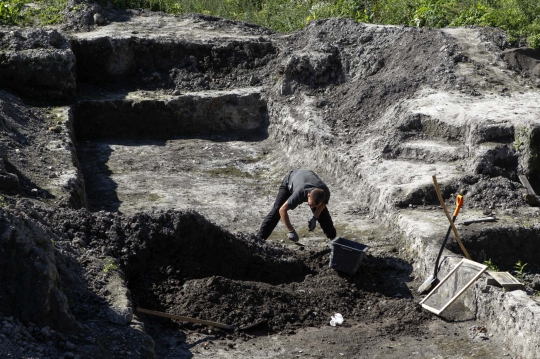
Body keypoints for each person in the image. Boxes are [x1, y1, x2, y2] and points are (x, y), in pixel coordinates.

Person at [257, 169, 337, 242]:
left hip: (307, 176)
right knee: (276, 212)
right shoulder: (300, 193)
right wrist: (291, 230)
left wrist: (315, 217)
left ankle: (333, 240)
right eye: (311, 205)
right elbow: (282, 210)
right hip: (291, 179)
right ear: (308, 195)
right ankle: (259, 239)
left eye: (315, 206)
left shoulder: (325, 192)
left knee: (323, 214)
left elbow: (323, 204)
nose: (312, 208)